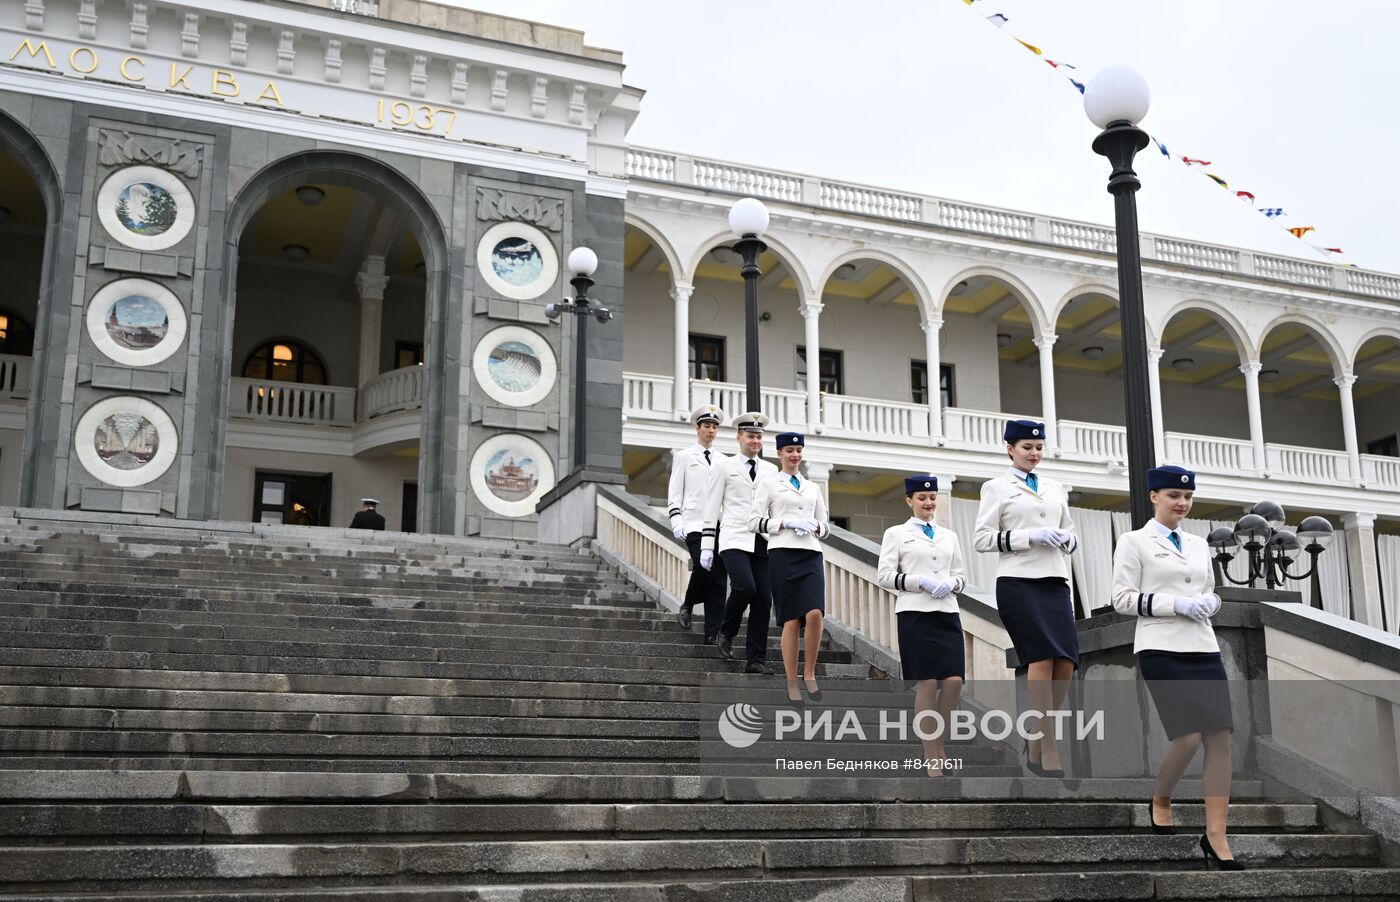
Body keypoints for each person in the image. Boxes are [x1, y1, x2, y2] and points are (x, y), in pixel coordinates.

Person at [1111, 465, 1240, 870]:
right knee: (1187, 738)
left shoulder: (1199, 543)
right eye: (1173, 496)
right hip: (1161, 646)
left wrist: (1209, 603)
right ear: (1154, 497)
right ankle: (1161, 797)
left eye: (1187, 497)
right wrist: (1175, 604)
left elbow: (1208, 591)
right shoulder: (1134, 542)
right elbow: (1122, 598)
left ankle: (1216, 835)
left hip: (1202, 647)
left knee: (1220, 738)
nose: (1182, 503)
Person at [974, 418, 1079, 777]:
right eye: (1026, 447)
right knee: (1041, 658)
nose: (1034, 453)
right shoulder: (996, 488)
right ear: (1010, 448)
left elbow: (1071, 532)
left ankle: (1034, 732)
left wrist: (1066, 540)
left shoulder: (1054, 487)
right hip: (1019, 582)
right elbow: (983, 539)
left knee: (1066, 662)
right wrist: (1028, 537)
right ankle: (1047, 744)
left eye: (1038, 447)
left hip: (1055, 581)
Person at [877, 475, 967, 776]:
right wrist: (919, 582)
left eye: (932, 497)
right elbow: (885, 576)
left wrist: (952, 582)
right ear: (909, 501)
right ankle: (932, 755)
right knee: (927, 683)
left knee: (954, 682)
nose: (928, 503)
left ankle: (937, 743)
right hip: (915, 613)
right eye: (921, 498)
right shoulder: (896, 534)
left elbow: (961, 575)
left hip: (947, 613)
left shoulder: (949, 535)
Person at [747, 432, 830, 705]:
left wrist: (816, 527)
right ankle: (792, 680)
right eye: (789, 450)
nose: (794, 455)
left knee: (816, 613)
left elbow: (826, 525)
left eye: (798, 450)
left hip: (810, 554)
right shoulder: (769, 484)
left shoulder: (812, 487)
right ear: (780, 453)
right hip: (782, 553)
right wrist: (783, 524)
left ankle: (809, 673)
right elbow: (754, 522)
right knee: (792, 619)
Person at [699, 411, 779, 674]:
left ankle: (756, 660)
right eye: (750, 436)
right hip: (733, 537)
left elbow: (774, 507)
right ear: (738, 437)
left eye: (759, 437)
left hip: (763, 539)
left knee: (763, 601)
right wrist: (707, 545)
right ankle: (726, 629)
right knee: (744, 588)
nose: (755, 441)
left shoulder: (770, 469)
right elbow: (711, 506)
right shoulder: (723, 465)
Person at [667, 404, 728, 641]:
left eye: (714, 427)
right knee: (702, 567)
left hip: (720, 526)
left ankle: (713, 633)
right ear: (698, 428)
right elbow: (675, 493)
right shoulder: (683, 456)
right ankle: (688, 604)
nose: (711, 430)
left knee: (719, 581)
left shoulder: (724, 460)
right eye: (707, 426)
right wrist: (676, 519)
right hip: (693, 523)